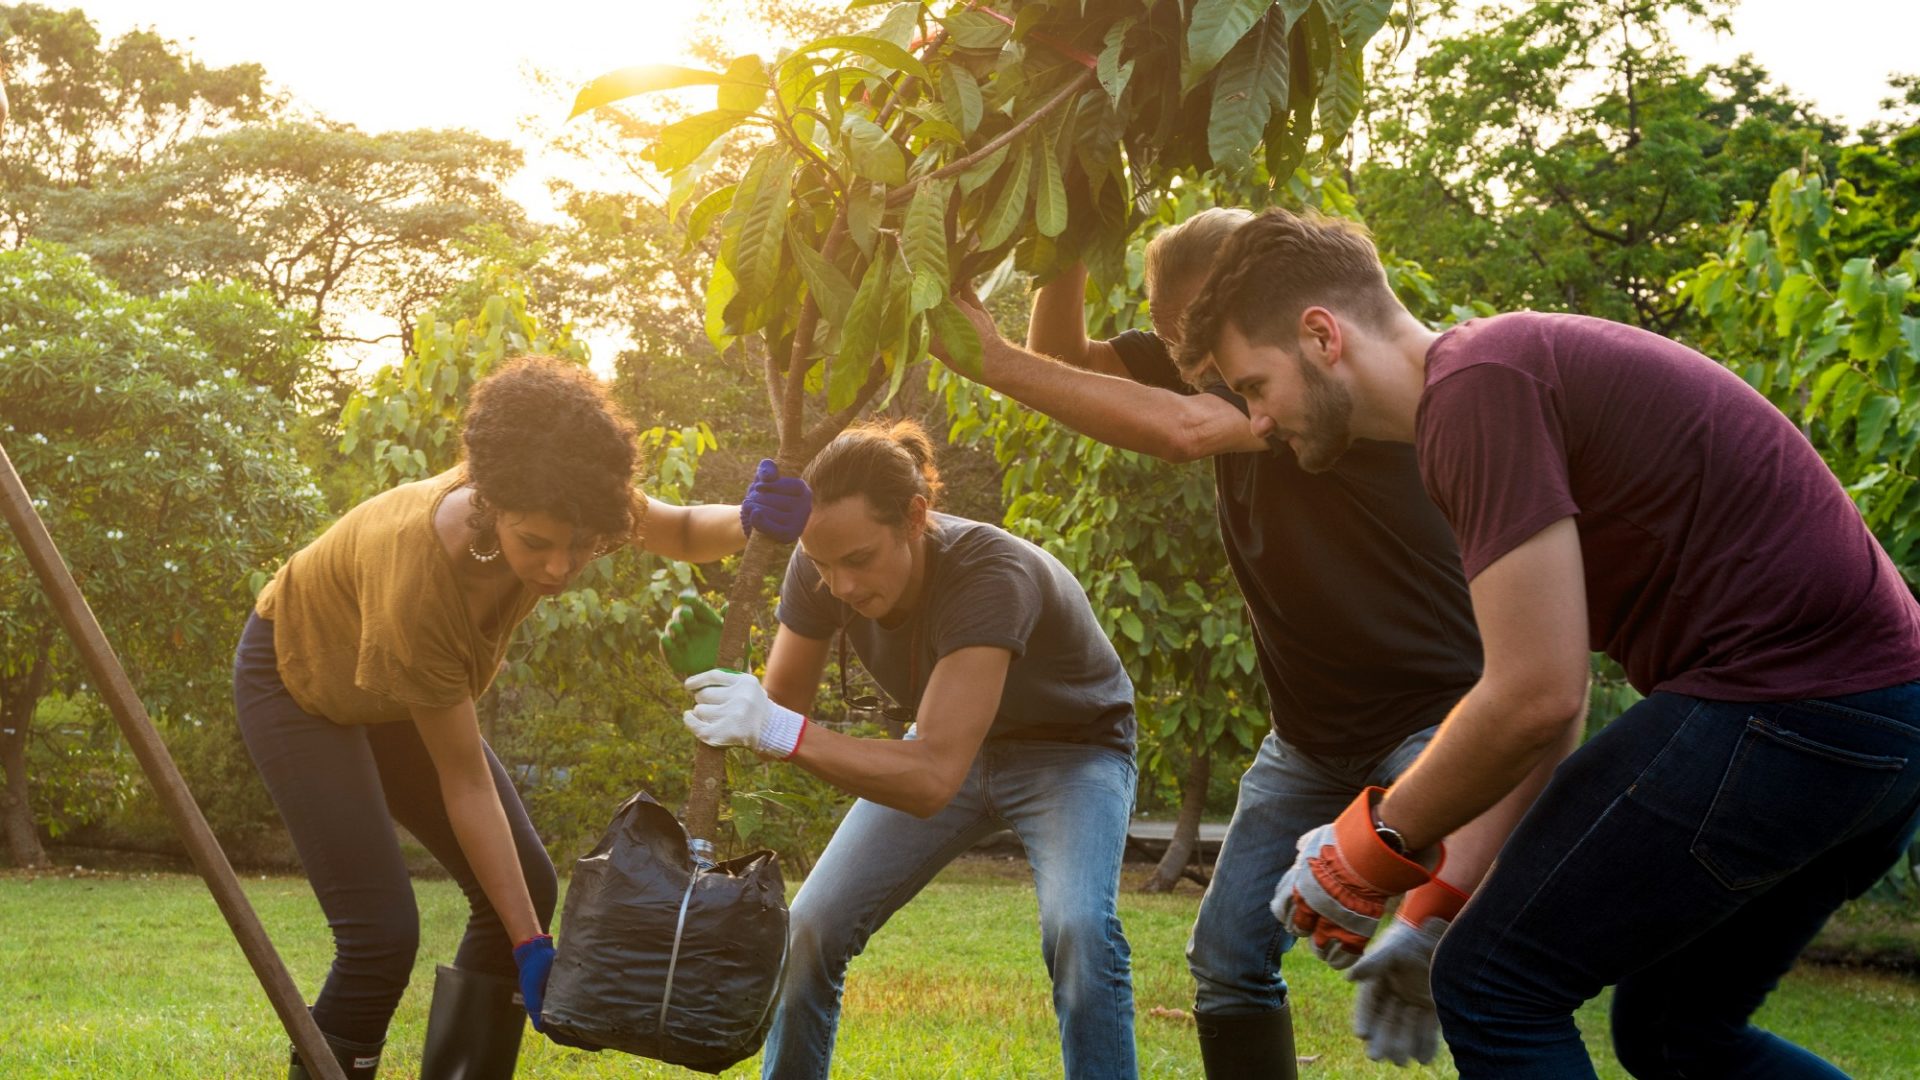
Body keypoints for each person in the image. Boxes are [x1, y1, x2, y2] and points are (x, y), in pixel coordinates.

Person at [1179, 207, 1920, 1078]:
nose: (1255, 423)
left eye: (1255, 386)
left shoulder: (1478, 392)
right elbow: (1542, 717)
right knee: (1675, 1028)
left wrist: (1366, 846)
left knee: (1495, 988)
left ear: (1320, 336)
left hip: (1794, 702)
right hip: (1879, 723)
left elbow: (1534, 697)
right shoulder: (1488, 387)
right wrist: (1426, 917)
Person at [930, 209, 1572, 1075]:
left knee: (1459, 967)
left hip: (1440, 715)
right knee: (1228, 963)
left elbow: (1179, 427)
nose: (1197, 356)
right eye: (1175, 335)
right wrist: (1074, 225)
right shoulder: (1216, 363)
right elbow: (1070, 355)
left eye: (1207, 329)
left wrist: (992, 360)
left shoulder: (1311, 381)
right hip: (1310, 738)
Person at [233, 356, 812, 1080]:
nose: (560, 569)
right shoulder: (422, 577)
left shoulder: (575, 498)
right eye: (537, 544)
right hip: (299, 682)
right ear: (489, 504)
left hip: (391, 691)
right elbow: (464, 783)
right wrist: (530, 946)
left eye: (583, 547)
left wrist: (752, 518)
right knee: (381, 934)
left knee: (525, 889)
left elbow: (687, 530)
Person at [677, 419, 1140, 1079]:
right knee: (808, 927)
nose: (840, 585)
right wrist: (723, 686)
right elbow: (781, 716)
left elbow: (929, 779)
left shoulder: (990, 572)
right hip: (944, 742)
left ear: (915, 517)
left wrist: (776, 727)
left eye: (859, 560)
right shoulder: (820, 568)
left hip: (1070, 751)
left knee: (1081, 933)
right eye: (822, 563)